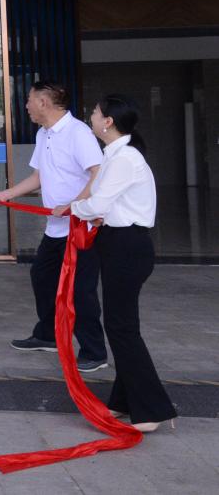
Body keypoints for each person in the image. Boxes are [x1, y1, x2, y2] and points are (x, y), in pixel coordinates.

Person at [68, 95, 175, 432]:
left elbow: (98, 203)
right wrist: (87, 210)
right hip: (117, 243)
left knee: (121, 327)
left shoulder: (125, 158)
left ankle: (153, 410)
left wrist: (74, 208)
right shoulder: (114, 155)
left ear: (108, 121)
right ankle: (124, 402)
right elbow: (108, 206)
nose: (91, 116)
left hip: (127, 247)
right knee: (120, 325)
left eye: (95, 113)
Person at [0, 80, 108, 372]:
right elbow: (38, 177)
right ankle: (47, 335)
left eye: (29, 100)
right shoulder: (44, 134)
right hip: (55, 228)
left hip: (81, 228)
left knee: (80, 291)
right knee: (42, 277)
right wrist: (5, 194)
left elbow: (99, 173)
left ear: (43, 102)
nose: (26, 106)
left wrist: (74, 204)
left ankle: (94, 352)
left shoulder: (77, 133)